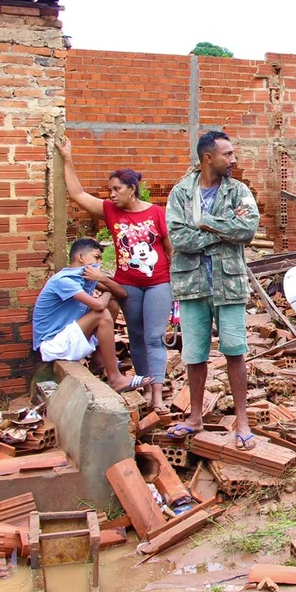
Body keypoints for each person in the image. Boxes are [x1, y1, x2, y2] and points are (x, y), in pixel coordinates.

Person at [57, 137, 172, 413]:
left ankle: (157, 395)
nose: (111, 194)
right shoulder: (110, 211)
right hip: (127, 286)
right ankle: (145, 386)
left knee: (155, 336)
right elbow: (78, 194)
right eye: (110, 190)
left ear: (132, 189)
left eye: (116, 189)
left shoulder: (157, 213)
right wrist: (67, 158)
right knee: (137, 335)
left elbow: (170, 250)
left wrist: (175, 284)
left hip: (158, 283)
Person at [165, 131, 260, 449]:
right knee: (194, 355)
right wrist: (222, 227)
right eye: (228, 154)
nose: (233, 160)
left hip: (229, 283)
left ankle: (242, 421)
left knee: (235, 350)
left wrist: (205, 223)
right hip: (192, 283)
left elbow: (247, 230)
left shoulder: (238, 191)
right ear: (209, 158)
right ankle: (195, 417)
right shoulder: (181, 193)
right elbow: (179, 239)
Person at [31, 238, 143, 393]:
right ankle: (115, 379)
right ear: (81, 258)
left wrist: (103, 280)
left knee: (112, 305)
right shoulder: (64, 280)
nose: (99, 263)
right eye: (96, 258)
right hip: (52, 344)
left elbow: (122, 294)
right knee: (102, 314)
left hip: (68, 337)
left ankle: (98, 360)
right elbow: (98, 305)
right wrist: (108, 291)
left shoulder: (85, 277)